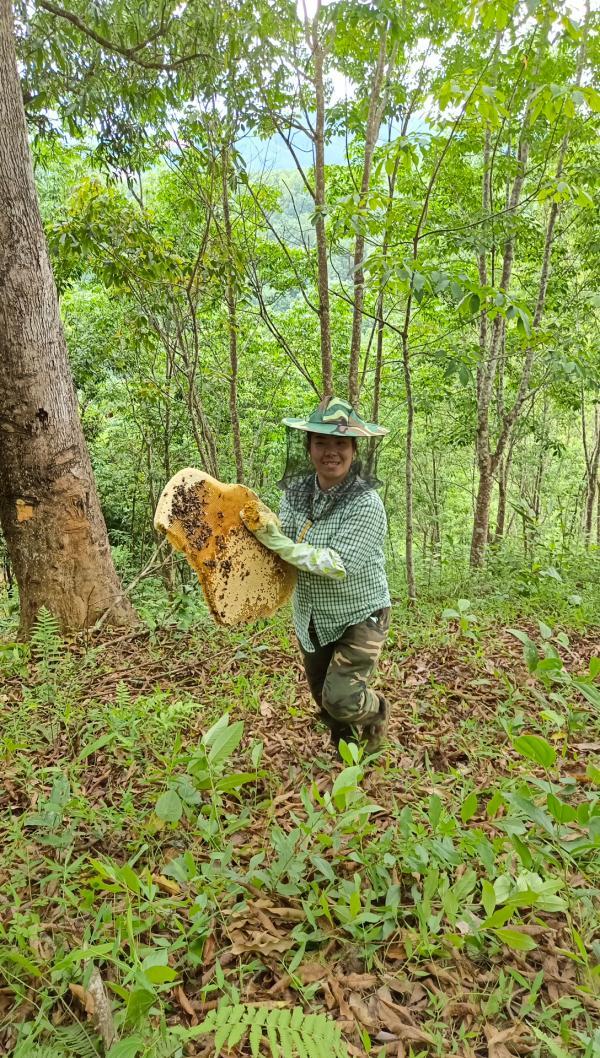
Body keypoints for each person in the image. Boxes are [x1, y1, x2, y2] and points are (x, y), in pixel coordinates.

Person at [241, 396, 391, 752]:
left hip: (361, 614)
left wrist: (278, 542)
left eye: (340, 443)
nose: (331, 452)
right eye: (321, 442)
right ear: (308, 448)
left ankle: (377, 712)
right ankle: (349, 757)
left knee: (342, 698)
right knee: (325, 700)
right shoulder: (296, 494)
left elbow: (338, 564)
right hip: (311, 616)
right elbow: (280, 547)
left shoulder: (366, 503)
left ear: (354, 450)